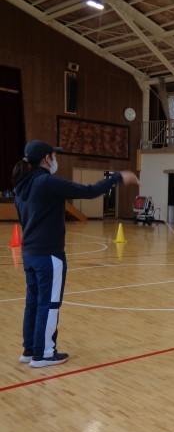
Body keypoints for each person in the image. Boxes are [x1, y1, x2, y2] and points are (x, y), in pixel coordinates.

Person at [13, 140, 139, 368]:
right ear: (46, 159)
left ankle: (30, 351)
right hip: (48, 255)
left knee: (33, 303)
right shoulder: (46, 182)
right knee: (49, 304)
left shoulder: (22, 185)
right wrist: (117, 177)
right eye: (53, 155)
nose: (55, 160)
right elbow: (89, 192)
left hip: (29, 254)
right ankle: (44, 354)